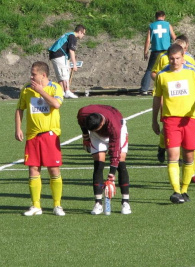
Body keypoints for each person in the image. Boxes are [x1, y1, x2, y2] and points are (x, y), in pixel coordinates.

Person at [152, 44, 195, 204]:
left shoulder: (191, 72)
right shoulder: (162, 75)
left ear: (183, 57)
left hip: (189, 119)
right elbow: (157, 98)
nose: (175, 61)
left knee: (189, 156)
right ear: (167, 58)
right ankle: (176, 191)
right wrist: (154, 119)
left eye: (177, 58)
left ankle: (184, 190)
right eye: (172, 58)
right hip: (171, 120)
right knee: (173, 156)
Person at [15, 61, 65, 216]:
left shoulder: (55, 87)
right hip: (32, 136)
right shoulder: (26, 89)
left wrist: (41, 91)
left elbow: (56, 104)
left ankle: (57, 205)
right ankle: (36, 205)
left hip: (49, 135)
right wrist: (18, 128)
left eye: (34, 74)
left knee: (53, 170)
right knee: (33, 169)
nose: (31, 76)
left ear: (43, 75)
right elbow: (19, 109)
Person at [77, 104, 131, 215]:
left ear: (101, 123)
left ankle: (125, 202)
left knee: (120, 161)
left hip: (118, 128)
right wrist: (85, 135)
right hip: (97, 135)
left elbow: (114, 152)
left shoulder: (114, 127)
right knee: (98, 163)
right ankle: (98, 203)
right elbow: (80, 120)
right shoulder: (83, 113)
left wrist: (111, 176)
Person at [140, 11, 176, 95]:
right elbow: (174, 37)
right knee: (169, 68)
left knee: (150, 69)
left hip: (155, 51)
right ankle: (170, 86)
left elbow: (148, 40)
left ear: (155, 17)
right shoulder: (167, 24)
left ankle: (144, 88)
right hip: (167, 51)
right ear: (164, 16)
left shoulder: (151, 26)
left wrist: (145, 52)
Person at [48, 25, 85, 99]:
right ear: (80, 32)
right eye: (83, 33)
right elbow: (71, 51)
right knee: (64, 74)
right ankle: (67, 91)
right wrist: (74, 64)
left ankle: (61, 92)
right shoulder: (72, 37)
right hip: (59, 55)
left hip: (54, 54)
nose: (83, 35)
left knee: (60, 74)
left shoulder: (68, 34)